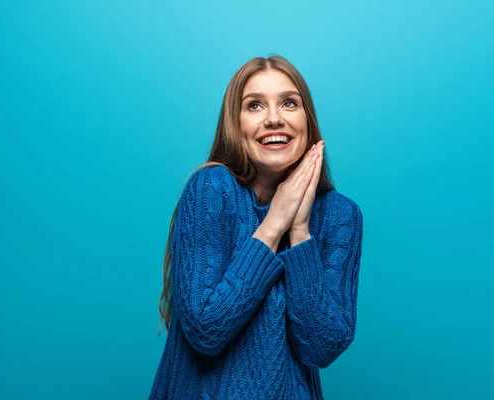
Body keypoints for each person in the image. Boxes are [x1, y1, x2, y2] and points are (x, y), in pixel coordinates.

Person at [148, 55, 364, 400]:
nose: (274, 119)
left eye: (289, 103)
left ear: (307, 120)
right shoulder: (210, 189)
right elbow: (206, 329)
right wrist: (273, 225)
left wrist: (300, 235)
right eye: (255, 106)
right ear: (236, 124)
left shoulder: (340, 216)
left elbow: (322, 348)